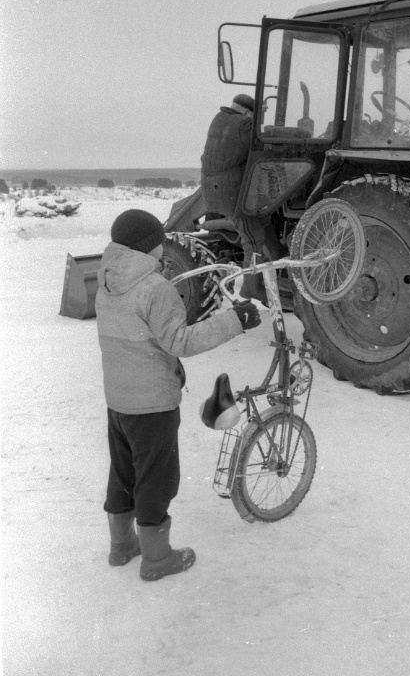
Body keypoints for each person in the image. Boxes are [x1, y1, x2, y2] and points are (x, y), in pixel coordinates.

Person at [96, 209, 261, 582]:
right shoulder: (155, 289)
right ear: (149, 246)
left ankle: (122, 546)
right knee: (157, 478)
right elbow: (179, 342)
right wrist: (235, 320)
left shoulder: (106, 280)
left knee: (123, 472)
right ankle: (156, 559)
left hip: (118, 400)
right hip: (153, 404)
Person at [201, 93, 284, 302]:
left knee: (263, 226)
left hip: (220, 190)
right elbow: (262, 145)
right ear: (248, 112)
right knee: (253, 240)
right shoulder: (245, 124)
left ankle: (281, 264)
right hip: (235, 193)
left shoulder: (220, 120)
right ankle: (251, 289)